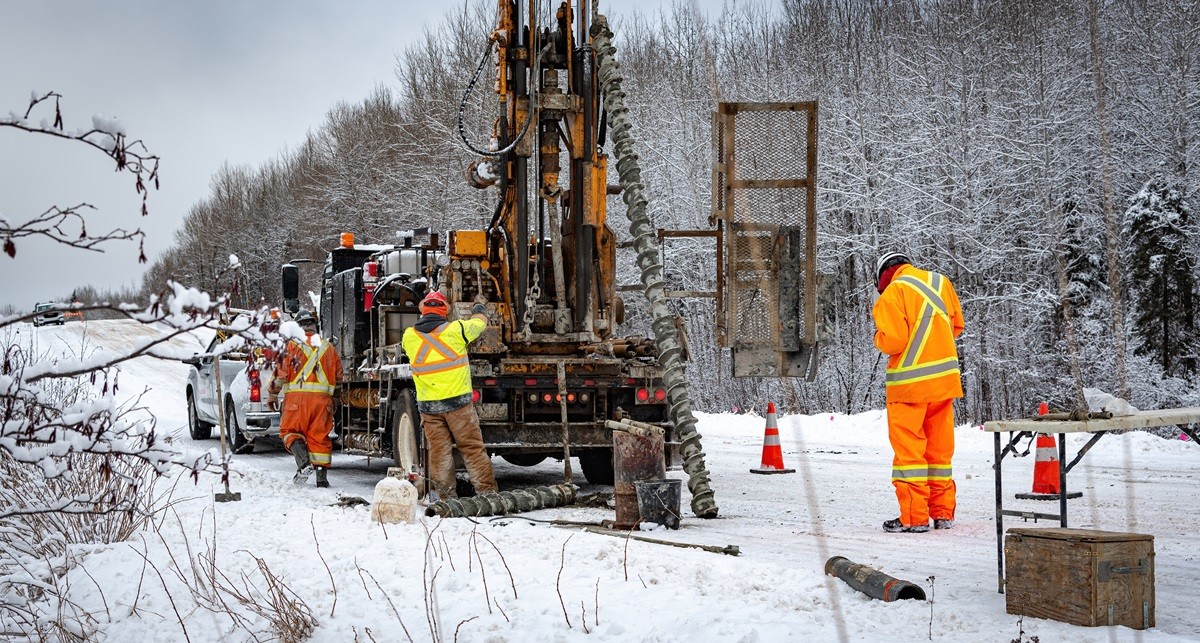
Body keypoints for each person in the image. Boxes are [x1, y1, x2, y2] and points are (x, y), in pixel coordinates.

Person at [871, 252, 965, 533]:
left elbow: (894, 341)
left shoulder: (892, 294)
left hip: (909, 386)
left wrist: (878, 337)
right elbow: (956, 326)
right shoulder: (941, 283)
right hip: (943, 383)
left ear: (882, 277)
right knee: (939, 452)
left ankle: (914, 518)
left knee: (910, 454)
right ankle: (943, 513)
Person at [402, 290, 497, 499]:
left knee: (439, 453)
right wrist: (479, 307)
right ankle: (487, 494)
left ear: (422, 311)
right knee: (472, 449)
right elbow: (480, 324)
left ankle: (445, 497)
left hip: (429, 408)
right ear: (445, 311)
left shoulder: (409, 336)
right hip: (458, 405)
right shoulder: (457, 330)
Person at [268, 309, 344, 488]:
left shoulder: (291, 346)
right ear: (314, 326)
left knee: (290, 432)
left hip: (297, 401)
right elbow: (339, 377)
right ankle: (321, 479)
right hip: (322, 402)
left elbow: (280, 375)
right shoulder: (329, 348)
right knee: (319, 437)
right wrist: (335, 399)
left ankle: (303, 464)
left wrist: (272, 394)